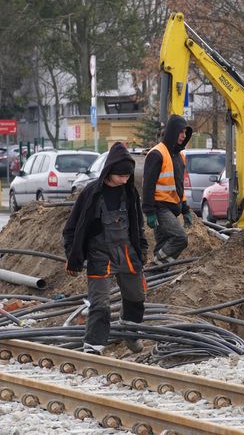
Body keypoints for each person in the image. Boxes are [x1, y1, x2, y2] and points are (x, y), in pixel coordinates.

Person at [63, 142, 148, 355]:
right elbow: (73, 227)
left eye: (128, 176)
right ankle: (93, 346)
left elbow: (138, 225)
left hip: (127, 253)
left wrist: (142, 251)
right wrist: (72, 257)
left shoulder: (129, 193)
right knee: (100, 304)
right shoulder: (91, 193)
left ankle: (130, 333)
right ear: (110, 172)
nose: (125, 179)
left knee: (136, 297)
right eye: (121, 176)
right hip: (100, 256)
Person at [142, 114, 194, 266]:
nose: (183, 136)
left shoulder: (179, 156)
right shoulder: (157, 154)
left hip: (172, 208)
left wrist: (185, 209)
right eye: (181, 132)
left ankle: (156, 278)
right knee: (180, 238)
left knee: (163, 244)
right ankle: (155, 267)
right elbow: (148, 185)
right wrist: (149, 211)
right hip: (160, 208)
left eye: (185, 133)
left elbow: (179, 186)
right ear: (172, 131)